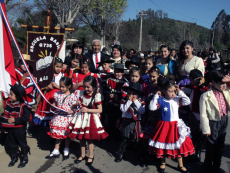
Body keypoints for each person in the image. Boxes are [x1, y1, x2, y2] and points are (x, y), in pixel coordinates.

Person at [148, 76, 194, 173]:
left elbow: (187, 101)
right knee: (163, 145)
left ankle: (180, 165)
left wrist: (180, 91)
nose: (173, 93)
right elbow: (152, 108)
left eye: (174, 91)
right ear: (164, 91)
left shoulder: (176, 99)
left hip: (175, 126)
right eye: (170, 91)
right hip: (164, 126)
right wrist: (156, 96)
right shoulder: (160, 100)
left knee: (178, 145)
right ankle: (163, 163)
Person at [68, 76, 108, 165]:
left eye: (88, 87)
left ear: (94, 87)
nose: (86, 89)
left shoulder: (96, 95)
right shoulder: (81, 93)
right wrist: (76, 105)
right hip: (81, 118)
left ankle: (90, 155)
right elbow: (78, 103)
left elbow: (100, 110)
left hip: (91, 119)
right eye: (84, 86)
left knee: (89, 139)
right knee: (81, 138)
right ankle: (82, 155)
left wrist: (88, 110)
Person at [200, 71, 230, 173]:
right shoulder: (206, 95)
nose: (224, 86)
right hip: (213, 122)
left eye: (225, 83)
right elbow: (203, 114)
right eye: (221, 83)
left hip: (224, 120)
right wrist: (206, 129)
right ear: (212, 82)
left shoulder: (226, 92)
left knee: (220, 145)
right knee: (211, 145)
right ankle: (207, 166)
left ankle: (216, 166)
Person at [180, 69, 209, 162]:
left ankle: (198, 151)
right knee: (192, 133)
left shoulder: (205, 89)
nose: (198, 81)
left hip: (203, 114)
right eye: (196, 79)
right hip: (192, 114)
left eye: (200, 79)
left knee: (201, 134)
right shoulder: (186, 87)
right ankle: (190, 151)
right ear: (191, 79)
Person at [45, 77, 77, 161]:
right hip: (58, 117)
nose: (61, 88)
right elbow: (55, 103)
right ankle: (56, 150)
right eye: (60, 86)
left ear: (69, 86)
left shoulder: (72, 96)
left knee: (66, 134)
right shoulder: (57, 94)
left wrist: (69, 112)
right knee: (58, 134)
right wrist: (53, 105)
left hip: (67, 118)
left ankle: (66, 148)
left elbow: (74, 109)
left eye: (63, 87)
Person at [1, 84, 31, 168]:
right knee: (12, 144)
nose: (9, 96)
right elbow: (5, 116)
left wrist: (15, 120)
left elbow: (26, 117)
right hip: (10, 129)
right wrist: (5, 127)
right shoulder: (9, 104)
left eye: (11, 94)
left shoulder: (23, 106)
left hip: (20, 129)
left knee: (22, 143)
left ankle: (24, 158)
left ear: (17, 97)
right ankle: (14, 157)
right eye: (10, 94)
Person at [115, 82, 145, 163]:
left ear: (137, 94)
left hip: (136, 123)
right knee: (124, 138)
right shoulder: (123, 101)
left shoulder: (140, 102)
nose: (131, 96)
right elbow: (123, 110)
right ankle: (121, 153)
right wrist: (129, 101)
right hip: (126, 121)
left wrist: (135, 102)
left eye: (134, 94)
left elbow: (142, 111)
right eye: (129, 93)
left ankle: (141, 156)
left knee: (137, 139)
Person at [34, 57, 64, 126]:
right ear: (53, 66)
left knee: (54, 114)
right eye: (57, 66)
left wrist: (58, 87)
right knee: (46, 113)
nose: (58, 69)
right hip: (48, 97)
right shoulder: (48, 75)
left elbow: (65, 88)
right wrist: (47, 87)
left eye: (60, 67)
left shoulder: (62, 76)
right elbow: (42, 86)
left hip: (57, 98)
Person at [105, 63, 128, 138]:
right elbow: (106, 89)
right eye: (115, 71)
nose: (116, 73)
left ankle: (117, 135)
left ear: (122, 72)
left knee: (118, 119)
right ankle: (110, 134)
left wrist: (118, 97)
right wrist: (109, 94)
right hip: (111, 103)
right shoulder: (109, 79)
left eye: (118, 72)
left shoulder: (125, 81)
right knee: (110, 119)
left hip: (119, 103)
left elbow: (125, 93)